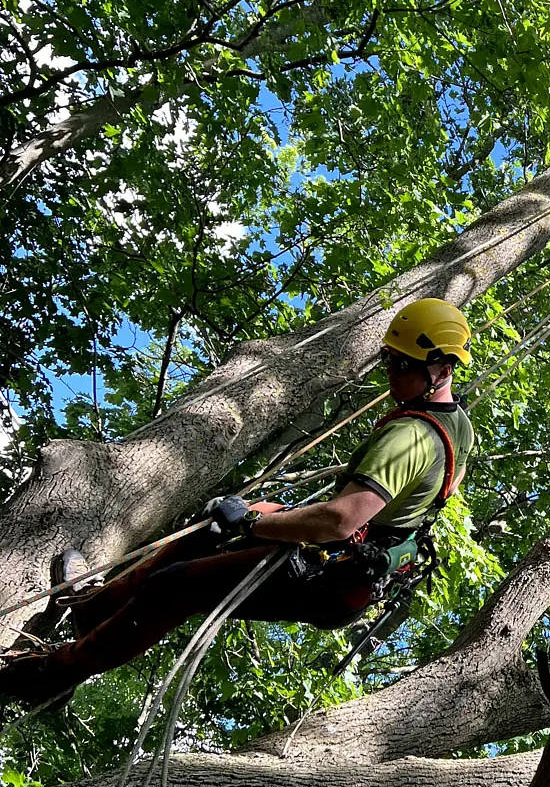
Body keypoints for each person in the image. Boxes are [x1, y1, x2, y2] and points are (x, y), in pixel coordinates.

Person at [0, 298, 476, 710]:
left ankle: (53, 673)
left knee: (176, 587)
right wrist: (253, 515)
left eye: (402, 365)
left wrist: (250, 524)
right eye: (389, 360)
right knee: (213, 528)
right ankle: (96, 606)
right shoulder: (456, 427)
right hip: (349, 564)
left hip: (335, 575)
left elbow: (340, 519)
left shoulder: (410, 435)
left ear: (441, 368)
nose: (391, 373)